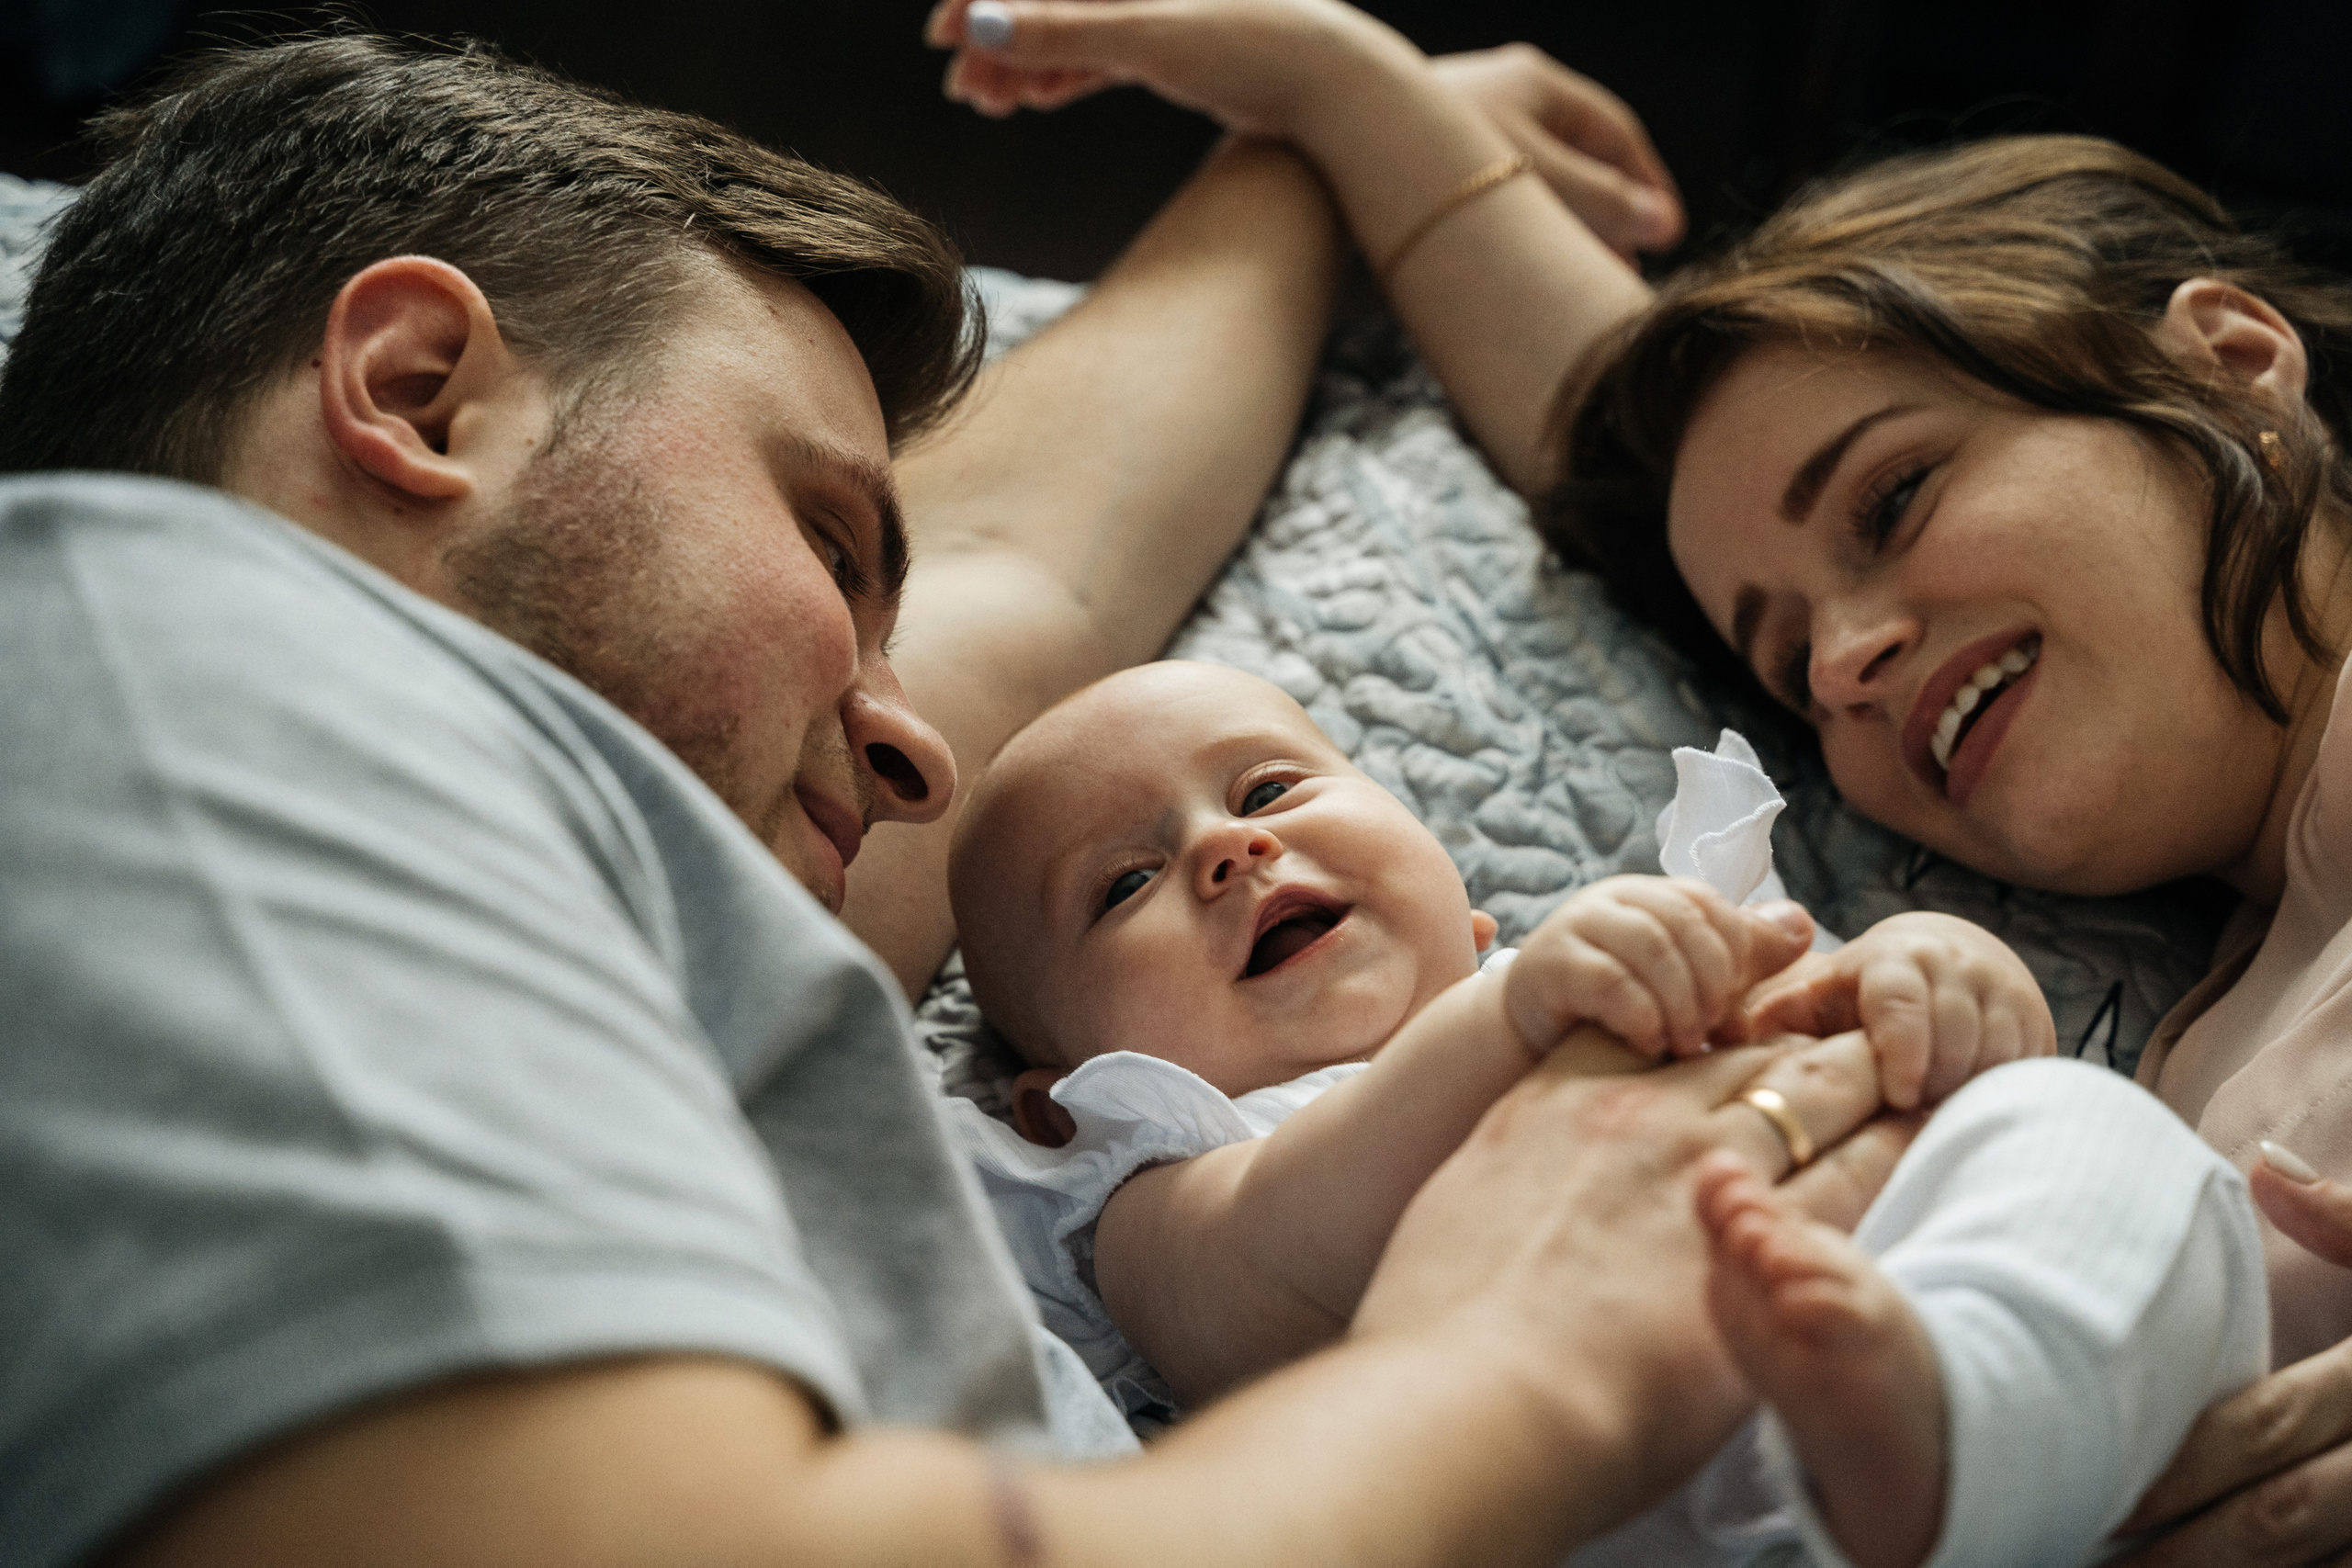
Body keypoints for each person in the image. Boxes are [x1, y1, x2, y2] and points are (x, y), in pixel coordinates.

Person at [0, 22, 1927, 1568]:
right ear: (424, 392)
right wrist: (1542, 1363)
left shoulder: (614, 897)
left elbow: (1046, 567)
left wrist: (1349, 128)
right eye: (830, 542)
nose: (926, 754)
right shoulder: (145, 667)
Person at [931, 0, 2352, 1559]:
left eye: (1895, 497)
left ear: (2229, 360)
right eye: (1784, 660)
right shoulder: (2212, 1021)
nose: (1846, 663)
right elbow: (1642, 468)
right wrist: (1347, 101)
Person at [943, 658, 2265, 1568]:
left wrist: (1942, 977)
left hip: (1951, 1382)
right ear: (1058, 1102)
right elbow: (1268, 1256)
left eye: (1268, 791)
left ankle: (1957, 1418)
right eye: (1123, 885)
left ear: (1470, 918)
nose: (1226, 848)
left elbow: (1874, 1058)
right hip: (1607, 1499)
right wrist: (1504, 1028)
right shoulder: (1157, 1180)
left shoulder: (1622, 958)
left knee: (2092, 1132)